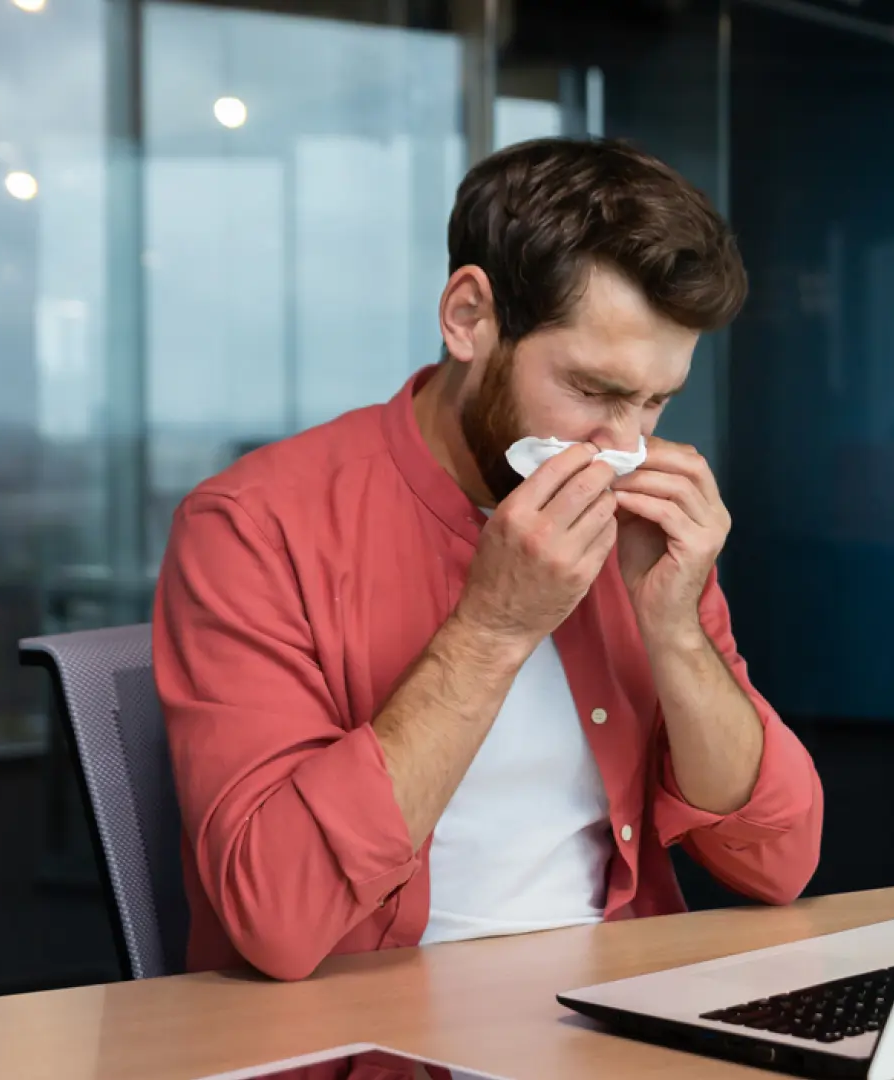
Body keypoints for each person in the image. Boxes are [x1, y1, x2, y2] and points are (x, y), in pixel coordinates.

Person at [153, 138, 823, 981]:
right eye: (593, 390)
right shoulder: (254, 526)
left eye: (654, 401)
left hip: (621, 1023)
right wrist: (495, 626)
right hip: (368, 1046)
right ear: (468, 317)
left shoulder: (642, 517)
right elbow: (277, 920)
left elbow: (778, 860)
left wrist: (675, 626)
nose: (625, 445)